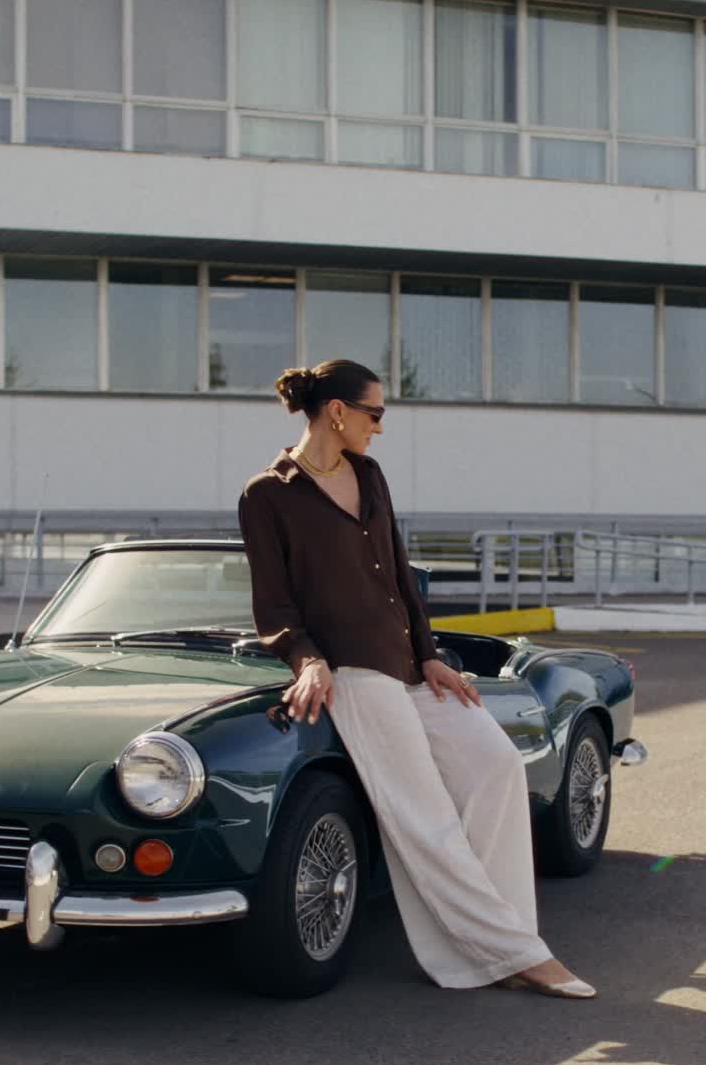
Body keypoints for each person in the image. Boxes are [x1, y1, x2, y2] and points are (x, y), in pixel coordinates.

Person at [238, 359, 596, 999]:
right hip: (352, 674)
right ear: (339, 412)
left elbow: (399, 577)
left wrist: (431, 654)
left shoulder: (369, 475)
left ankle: (499, 938)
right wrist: (307, 659)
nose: (381, 427)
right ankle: (516, 957)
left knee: (495, 768)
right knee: (423, 817)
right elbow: (274, 605)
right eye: (375, 414)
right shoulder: (267, 493)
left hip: (408, 667)